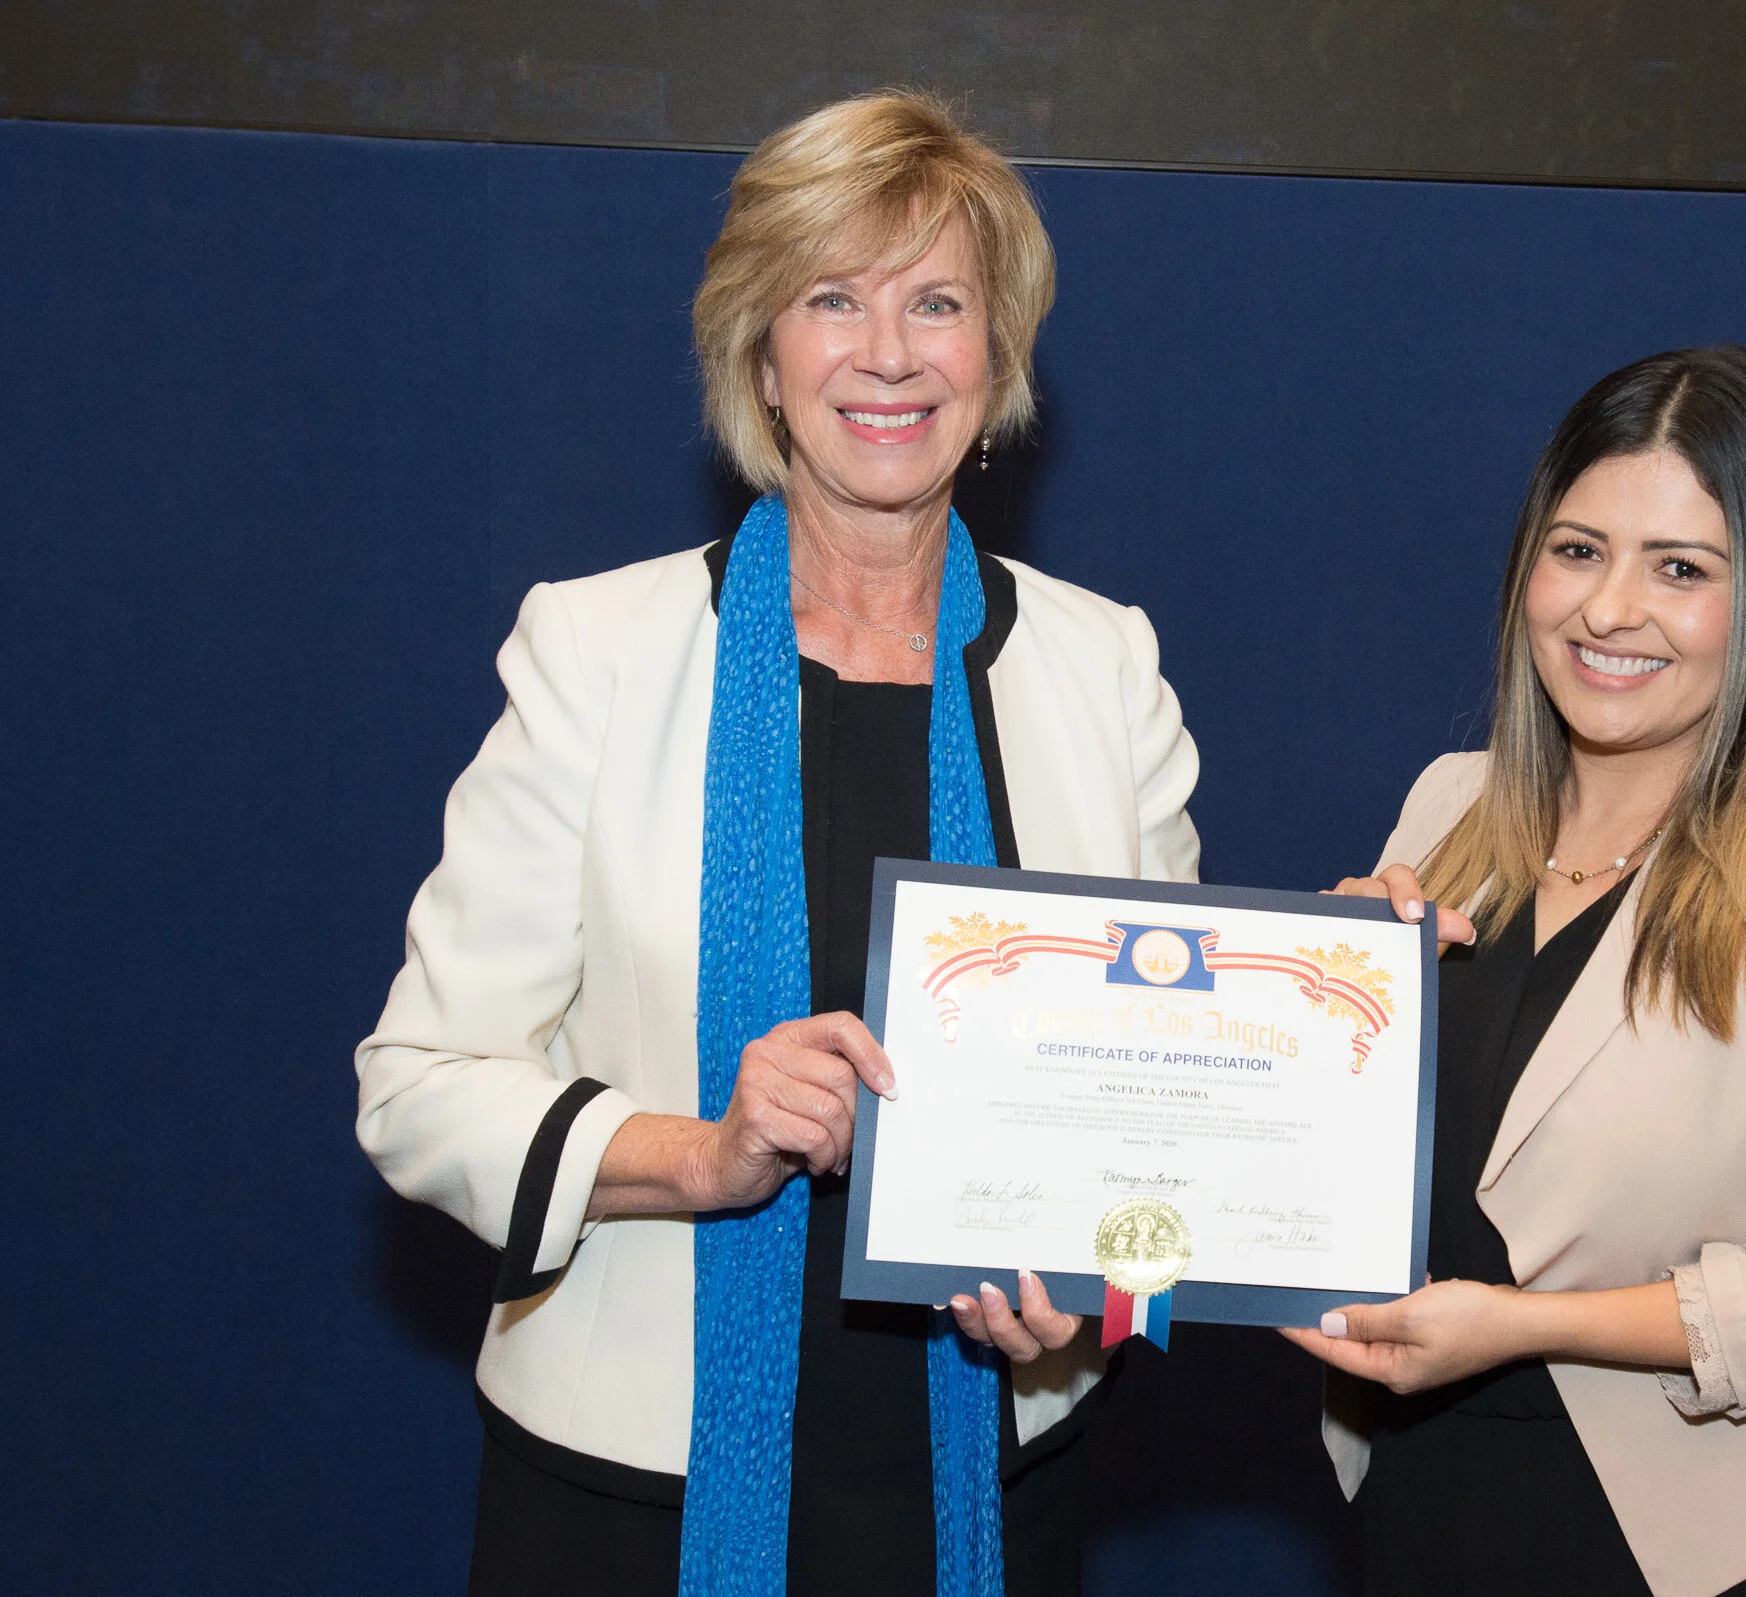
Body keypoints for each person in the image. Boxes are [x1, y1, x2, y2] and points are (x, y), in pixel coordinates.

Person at [355, 91, 1199, 1597]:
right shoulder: (596, 654)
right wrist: (709, 1153)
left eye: (938, 304)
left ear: (997, 356)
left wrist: (1099, 1302)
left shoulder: (1103, 668)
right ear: (761, 353)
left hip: (990, 1479)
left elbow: (1165, 1143)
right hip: (630, 1495)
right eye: (833, 300)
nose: (889, 354)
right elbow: (418, 1088)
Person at [1286, 346, 1746, 1597]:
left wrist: (1527, 1325)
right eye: (1578, 550)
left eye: (1681, 569)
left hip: (1725, 1548)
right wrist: (1319, 1000)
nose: (1610, 610)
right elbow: (1356, 1182)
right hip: (1431, 1507)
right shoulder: (1448, 812)